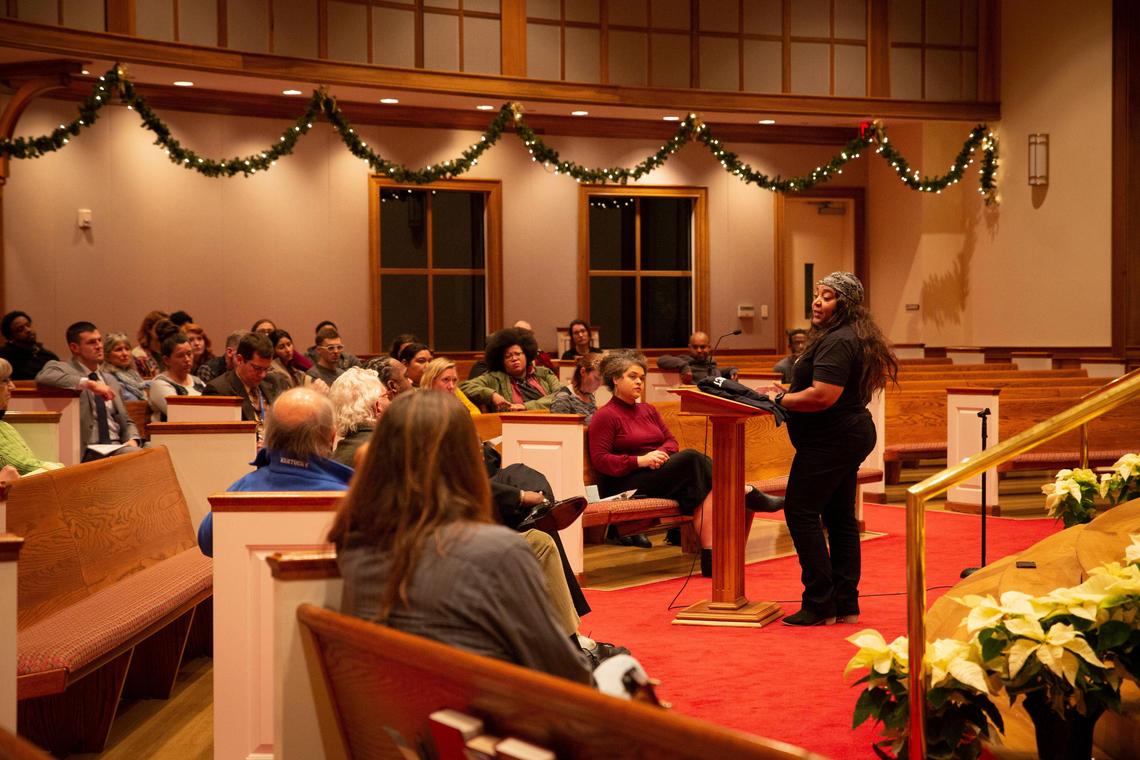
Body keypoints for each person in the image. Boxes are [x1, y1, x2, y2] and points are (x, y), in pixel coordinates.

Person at [329, 391, 591, 683]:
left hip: (397, 710)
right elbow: (568, 676)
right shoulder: (496, 553)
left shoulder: (353, 544)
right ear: (465, 458)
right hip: (482, 717)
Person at [760, 272, 897, 627]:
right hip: (843, 434)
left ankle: (820, 601)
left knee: (801, 511)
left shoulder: (838, 340)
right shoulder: (844, 336)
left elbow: (823, 395)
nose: (817, 301)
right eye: (817, 294)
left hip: (832, 438)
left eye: (828, 296)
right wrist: (787, 390)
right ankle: (844, 603)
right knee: (838, 517)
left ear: (845, 304)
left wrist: (780, 399)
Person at [589, 351, 781, 564]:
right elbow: (601, 460)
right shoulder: (605, 415)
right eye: (632, 377)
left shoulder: (648, 410)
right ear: (615, 379)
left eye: (642, 378)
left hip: (657, 472)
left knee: (703, 485)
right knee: (691, 459)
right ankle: (744, 490)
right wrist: (641, 460)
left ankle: (712, 558)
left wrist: (659, 456)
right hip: (626, 482)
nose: (638, 382)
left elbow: (671, 442)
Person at [197, 386, 354, 557]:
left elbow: (206, 543)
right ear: (331, 437)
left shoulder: (240, 491)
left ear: (269, 437)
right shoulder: (351, 500)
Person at [35, 321, 142, 461]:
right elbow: (44, 377)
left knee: (154, 451)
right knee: (140, 457)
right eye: (92, 342)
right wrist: (89, 384)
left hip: (117, 446)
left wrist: (133, 439)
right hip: (88, 449)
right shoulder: (64, 369)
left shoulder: (110, 380)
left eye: (99, 340)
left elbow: (126, 420)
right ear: (75, 347)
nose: (99, 346)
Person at [460, 328, 562, 412]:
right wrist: (492, 395)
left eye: (518, 354)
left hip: (550, 422)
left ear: (526, 355)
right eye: (508, 356)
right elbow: (464, 386)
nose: (514, 359)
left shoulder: (544, 373)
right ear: (502, 361)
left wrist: (526, 407)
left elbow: (562, 395)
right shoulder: (494, 377)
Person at [203, 332, 281, 435]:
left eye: (267, 369)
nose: (263, 375)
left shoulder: (273, 382)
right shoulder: (219, 390)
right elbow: (219, 438)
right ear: (239, 359)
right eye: (257, 368)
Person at [0, 357, 63, 476]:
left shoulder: (5, 426)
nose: (12, 386)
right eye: (5, 381)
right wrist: (61, 470)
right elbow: (20, 466)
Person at [329, 367, 385, 467]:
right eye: (387, 396)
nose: (391, 401)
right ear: (377, 406)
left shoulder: (332, 460)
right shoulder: (389, 448)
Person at [148, 332, 207, 421]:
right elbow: (180, 416)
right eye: (180, 356)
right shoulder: (159, 384)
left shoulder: (198, 382)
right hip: (171, 433)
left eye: (189, 354)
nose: (187, 359)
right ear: (166, 360)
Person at [656, 331, 734, 383]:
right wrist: (684, 367)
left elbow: (716, 371)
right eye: (695, 347)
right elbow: (661, 360)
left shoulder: (711, 363)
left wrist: (731, 370)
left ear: (709, 347)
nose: (699, 350)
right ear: (689, 348)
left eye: (702, 347)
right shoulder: (684, 360)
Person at [0, 311, 59, 380]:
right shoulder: (4, 358)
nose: (28, 330)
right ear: (10, 337)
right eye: (20, 329)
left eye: (28, 325)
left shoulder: (48, 356)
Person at [549, 352, 603, 424]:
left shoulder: (590, 396)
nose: (599, 384)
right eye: (596, 378)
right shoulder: (563, 398)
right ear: (583, 372)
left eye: (602, 380)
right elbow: (561, 431)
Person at [101, 332, 149, 402]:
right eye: (119, 350)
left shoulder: (133, 374)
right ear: (107, 356)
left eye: (127, 349)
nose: (125, 353)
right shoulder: (107, 378)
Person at [132, 310, 170, 379]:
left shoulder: (169, 352)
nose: (165, 330)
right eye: (161, 326)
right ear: (149, 328)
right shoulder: (138, 355)